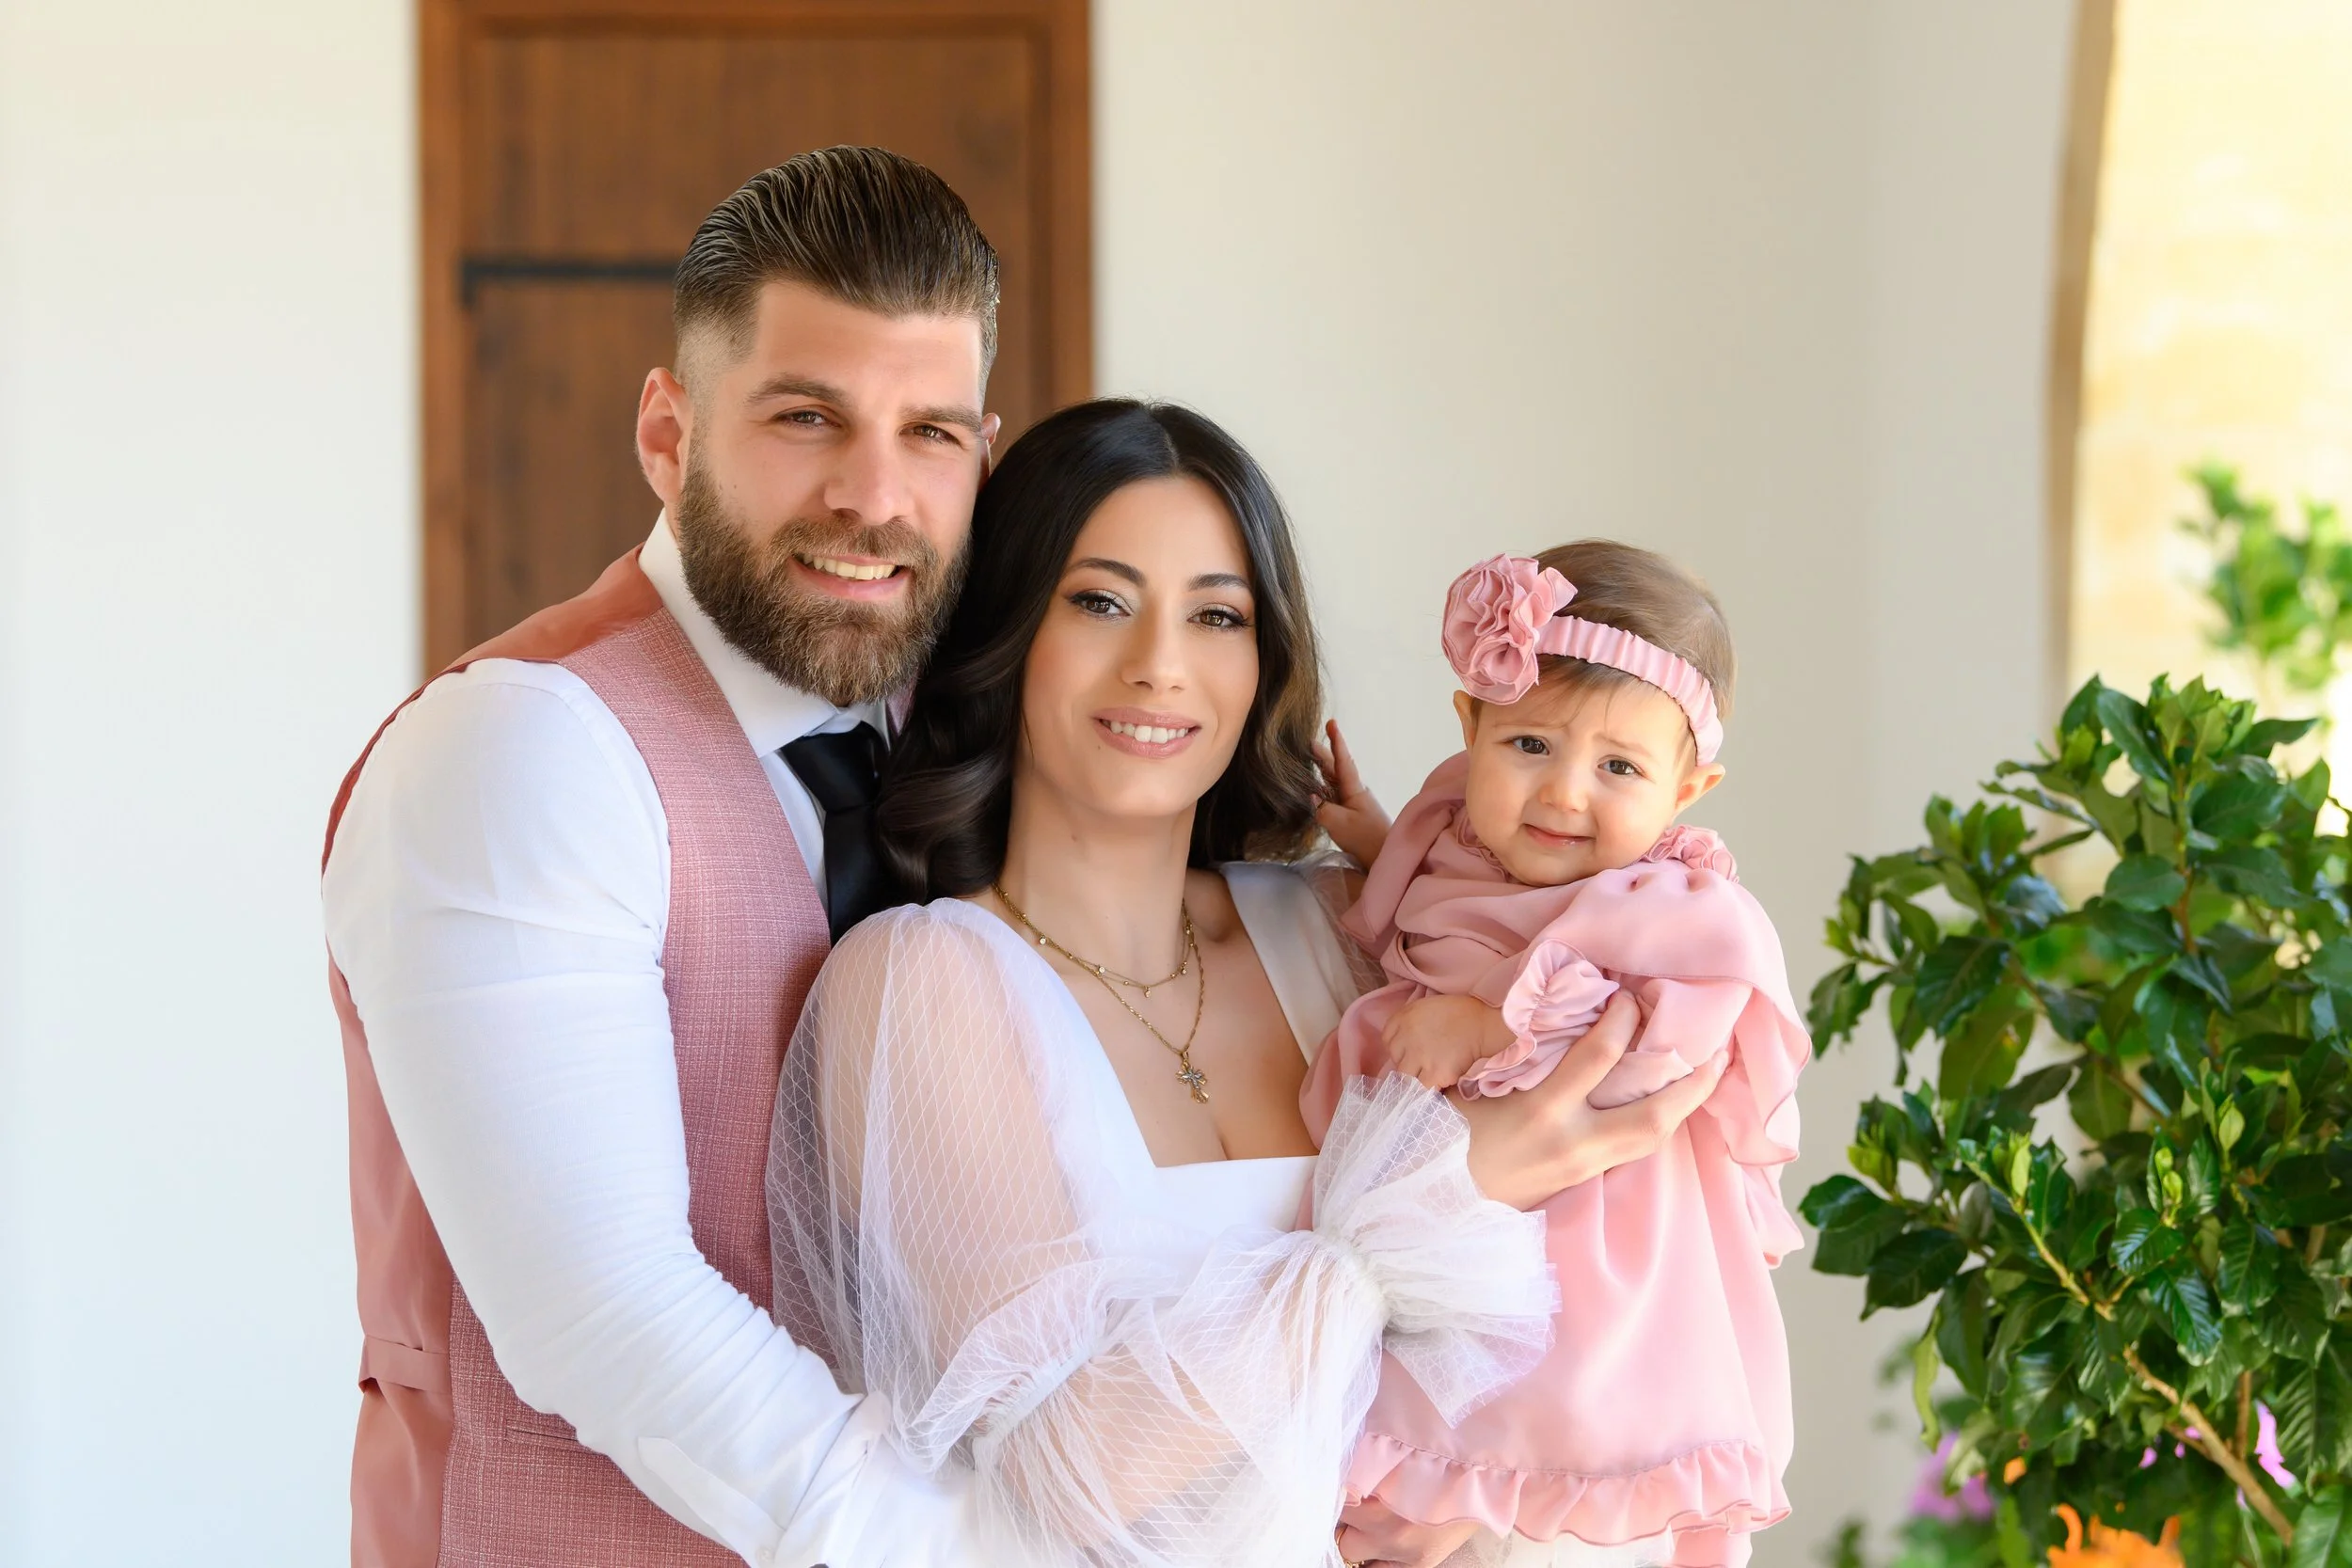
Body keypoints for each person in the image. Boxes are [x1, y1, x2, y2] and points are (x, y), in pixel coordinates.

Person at [324, 142, 1721, 1568]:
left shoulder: (969, 739)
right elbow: (604, 1313)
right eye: (807, 416)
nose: (873, 496)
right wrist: (1007, 1539)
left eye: (929, 432)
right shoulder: (530, 750)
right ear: (670, 436)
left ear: (982, 471)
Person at [1301, 544, 1810, 1568]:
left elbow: (1668, 1034)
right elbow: (1457, 893)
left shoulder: (1671, 901)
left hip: (1606, 1224)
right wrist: (1374, 838)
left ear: (1686, 789)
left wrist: (1494, 1021)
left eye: (1619, 767)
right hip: (1461, 1212)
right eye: (1528, 742)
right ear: (1471, 725)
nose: (1562, 794)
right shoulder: (1457, 825)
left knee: (1535, 1435)